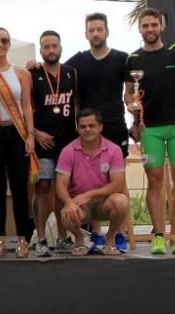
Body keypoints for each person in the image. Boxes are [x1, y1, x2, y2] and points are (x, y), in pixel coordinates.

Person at [124, 9, 175, 256]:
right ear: (140, 29)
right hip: (149, 130)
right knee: (154, 182)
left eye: (154, 25)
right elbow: (129, 94)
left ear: (161, 26)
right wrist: (134, 115)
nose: (150, 29)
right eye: (145, 26)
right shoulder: (133, 59)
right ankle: (159, 237)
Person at [62, 13, 131, 251]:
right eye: (91, 30)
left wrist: (139, 117)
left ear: (107, 31)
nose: (95, 34)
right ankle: (97, 234)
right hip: (87, 127)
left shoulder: (122, 59)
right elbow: (56, 69)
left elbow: (133, 91)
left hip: (115, 126)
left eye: (99, 29)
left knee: (119, 185)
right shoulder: (79, 61)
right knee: (90, 176)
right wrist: (35, 65)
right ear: (86, 34)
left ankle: (120, 233)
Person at [0, 27, 36, 258]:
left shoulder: (21, 73)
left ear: (9, 44)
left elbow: (27, 106)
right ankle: (0, 238)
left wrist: (30, 134)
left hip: (16, 132)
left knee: (20, 186)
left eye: (4, 41)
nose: (0, 45)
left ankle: (23, 238)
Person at [29, 31, 79, 256]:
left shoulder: (71, 73)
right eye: (46, 47)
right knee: (43, 188)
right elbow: (25, 109)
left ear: (61, 48)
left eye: (54, 46)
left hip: (68, 143)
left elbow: (78, 105)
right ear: (41, 50)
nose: (51, 50)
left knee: (62, 190)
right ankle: (39, 238)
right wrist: (35, 133)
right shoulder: (32, 74)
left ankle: (62, 236)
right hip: (43, 143)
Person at [55, 108, 129, 257]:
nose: (87, 129)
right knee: (66, 212)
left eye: (92, 125)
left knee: (121, 201)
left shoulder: (114, 150)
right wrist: (69, 202)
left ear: (100, 127)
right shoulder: (68, 151)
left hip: (104, 203)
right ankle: (80, 239)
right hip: (81, 207)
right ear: (77, 128)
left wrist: (89, 195)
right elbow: (60, 185)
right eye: (83, 126)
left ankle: (110, 239)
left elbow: (118, 184)